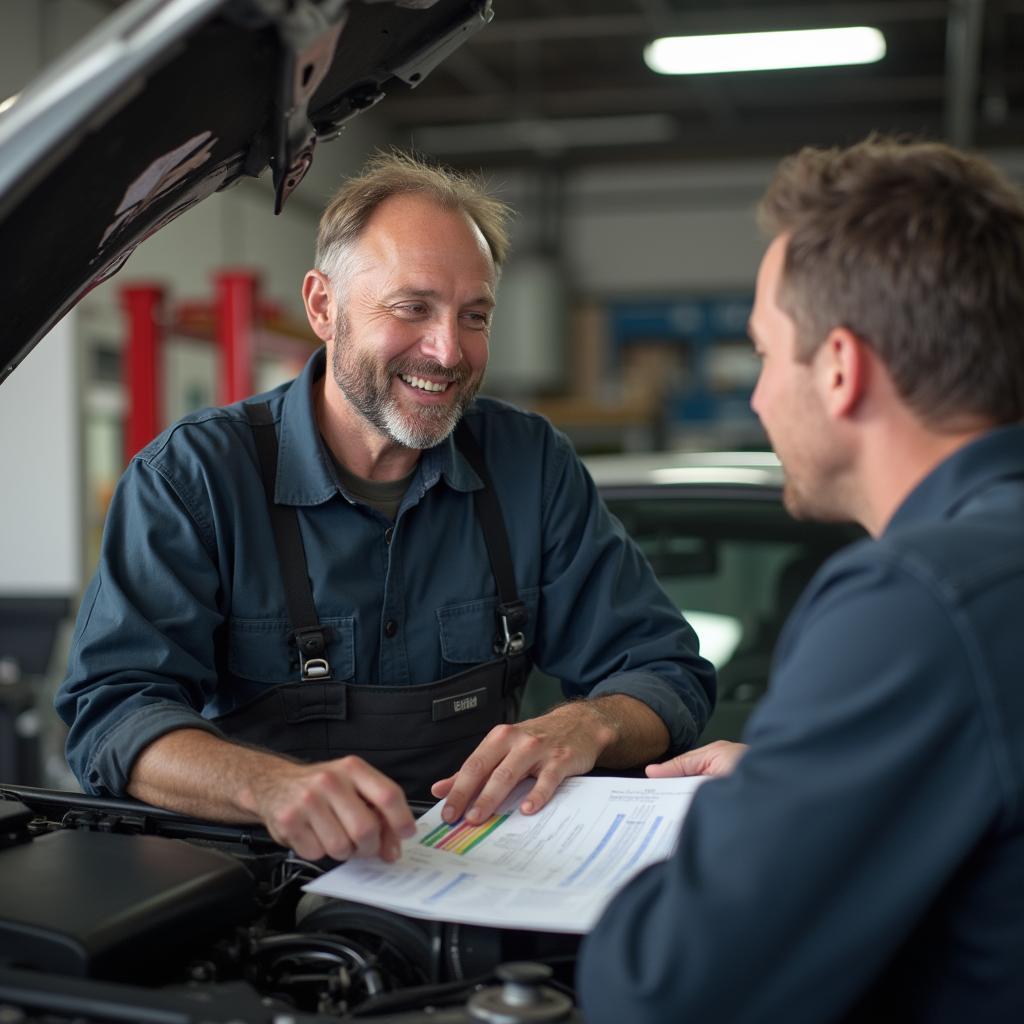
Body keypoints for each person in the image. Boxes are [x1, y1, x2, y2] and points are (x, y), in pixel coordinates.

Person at [56, 151, 715, 865]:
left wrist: (590, 725)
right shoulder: (195, 480)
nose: (447, 350)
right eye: (413, 308)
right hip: (249, 893)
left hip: (484, 878)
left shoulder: (530, 468)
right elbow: (113, 713)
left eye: (474, 315)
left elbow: (664, 671)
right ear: (322, 307)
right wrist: (269, 788)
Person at [578, 135, 1024, 1022]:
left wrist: (738, 834)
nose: (757, 398)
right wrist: (795, 782)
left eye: (766, 354)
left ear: (841, 369)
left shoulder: (916, 601)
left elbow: (664, 992)